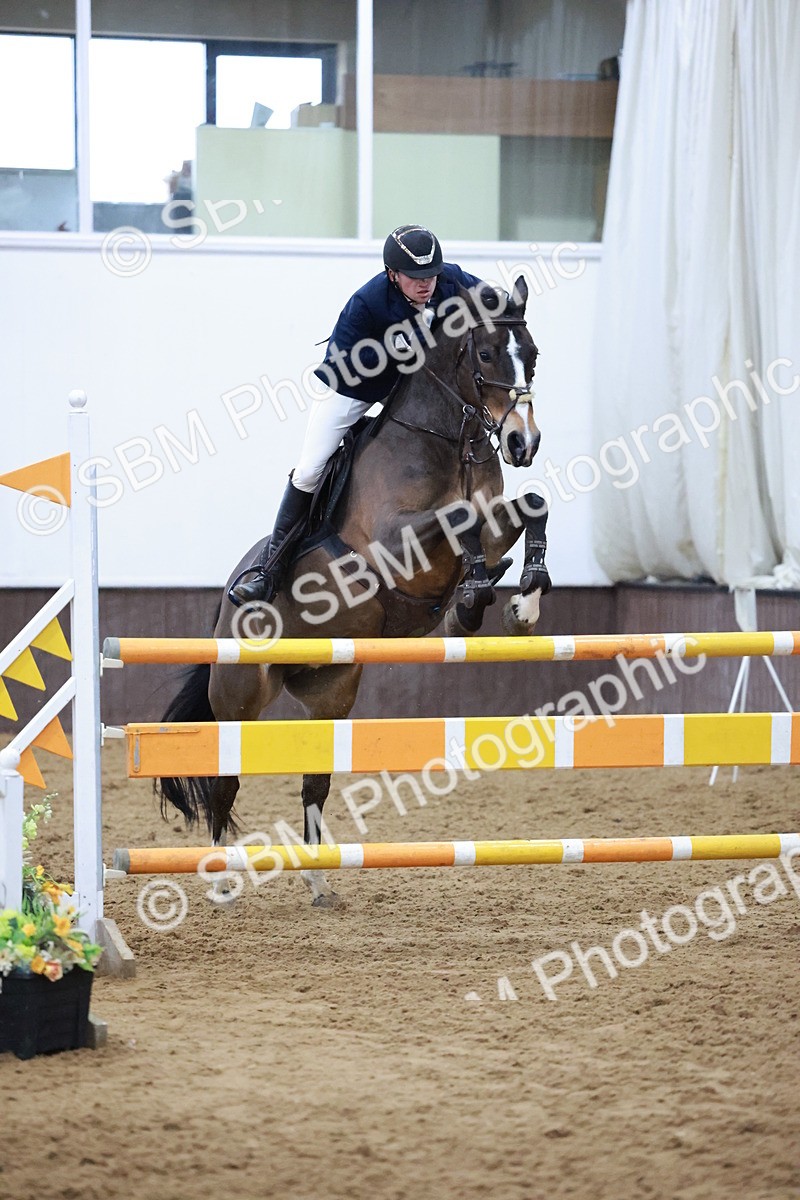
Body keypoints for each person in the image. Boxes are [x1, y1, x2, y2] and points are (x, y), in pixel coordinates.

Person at [229, 224, 482, 606]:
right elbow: (343, 361)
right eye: (415, 277)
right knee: (309, 469)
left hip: (413, 390)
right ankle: (270, 570)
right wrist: (388, 349)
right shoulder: (366, 303)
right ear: (392, 275)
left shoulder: (449, 280)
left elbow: (490, 301)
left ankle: (478, 552)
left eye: (431, 275)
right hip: (353, 388)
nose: (426, 284)